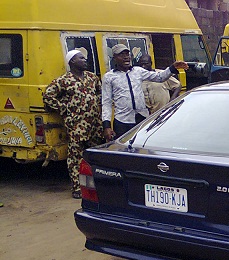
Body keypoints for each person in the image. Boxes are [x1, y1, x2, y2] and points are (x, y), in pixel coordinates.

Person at [43, 49, 103, 199]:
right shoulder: (64, 80)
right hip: (77, 125)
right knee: (76, 157)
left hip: (95, 125)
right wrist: (63, 108)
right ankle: (77, 187)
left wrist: (97, 105)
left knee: (94, 156)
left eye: (84, 58)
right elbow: (48, 96)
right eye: (81, 58)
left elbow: (100, 93)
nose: (85, 60)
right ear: (72, 62)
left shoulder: (92, 77)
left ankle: (95, 186)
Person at [102, 44, 189, 141]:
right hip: (122, 121)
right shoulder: (109, 77)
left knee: (142, 146)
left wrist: (173, 67)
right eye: (121, 55)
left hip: (141, 118)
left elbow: (160, 77)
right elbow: (106, 102)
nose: (126, 57)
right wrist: (107, 125)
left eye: (127, 54)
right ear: (114, 58)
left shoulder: (138, 71)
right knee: (125, 150)